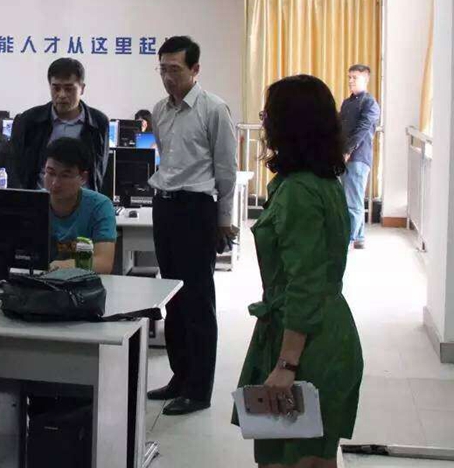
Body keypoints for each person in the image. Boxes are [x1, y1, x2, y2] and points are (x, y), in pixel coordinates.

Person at [233, 75, 364, 468]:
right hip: (321, 328)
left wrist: (286, 365)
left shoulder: (298, 192)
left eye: (269, 113)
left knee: (294, 459)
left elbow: (304, 282)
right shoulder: (321, 181)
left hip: (306, 342)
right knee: (310, 456)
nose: (264, 120)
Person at [146, 36, 237, 416]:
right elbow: (167, 161)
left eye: (175, 70)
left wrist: (224, 221)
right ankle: (179, 377)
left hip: (196, 209)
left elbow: (226, 170)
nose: (168, 77)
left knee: (198, 300)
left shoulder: (214, 109)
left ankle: (199, 390)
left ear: (195, 70)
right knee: (172, 297)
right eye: (163, 70)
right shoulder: (159, 110)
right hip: (165, 206)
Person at [10, 58, 109, 191]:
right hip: (41, 199)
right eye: (56, 88)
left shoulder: (98, 122)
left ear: (82, 89)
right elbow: (17, 169)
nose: (61, 95)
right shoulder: (29, 121)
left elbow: (99, 170)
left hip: (83, 199)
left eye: (69, 89)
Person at [45, 138, 116, 274]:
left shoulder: (100, 206)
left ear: (83, 178)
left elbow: (104, 263)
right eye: (50, 173)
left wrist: (63, 266)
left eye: (65, 176)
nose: (55, 183)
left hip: (84, 283)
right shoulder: (34, 203)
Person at [340, 64, 381, 250]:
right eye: (349, 77)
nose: (350, 81)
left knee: (353, 201)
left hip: (358, 158)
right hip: (346, 156)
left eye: (354, 77)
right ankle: (359, 237)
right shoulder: (347, 103)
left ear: (365, 79)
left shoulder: (370, 103)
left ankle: (350, 238)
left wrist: (347, 150)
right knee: (350, 198)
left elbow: (362, 130)